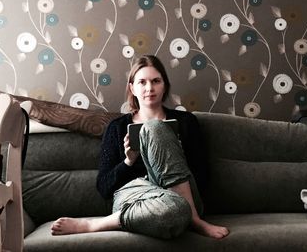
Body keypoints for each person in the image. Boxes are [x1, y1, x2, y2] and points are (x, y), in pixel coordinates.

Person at [51, 55, 229, 239]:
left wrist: (174, 156)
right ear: (132, 88)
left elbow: (203, 176)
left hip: (183, 197)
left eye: (156, 81)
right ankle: (97, 224)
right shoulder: (116, 128)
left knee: (155, 128)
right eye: (142, 82)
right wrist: (129, 161)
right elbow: (104, 187)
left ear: (164, 85)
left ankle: (191, 216)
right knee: (175, 211)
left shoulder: (186, 122)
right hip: (138, 200)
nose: (149, 88)